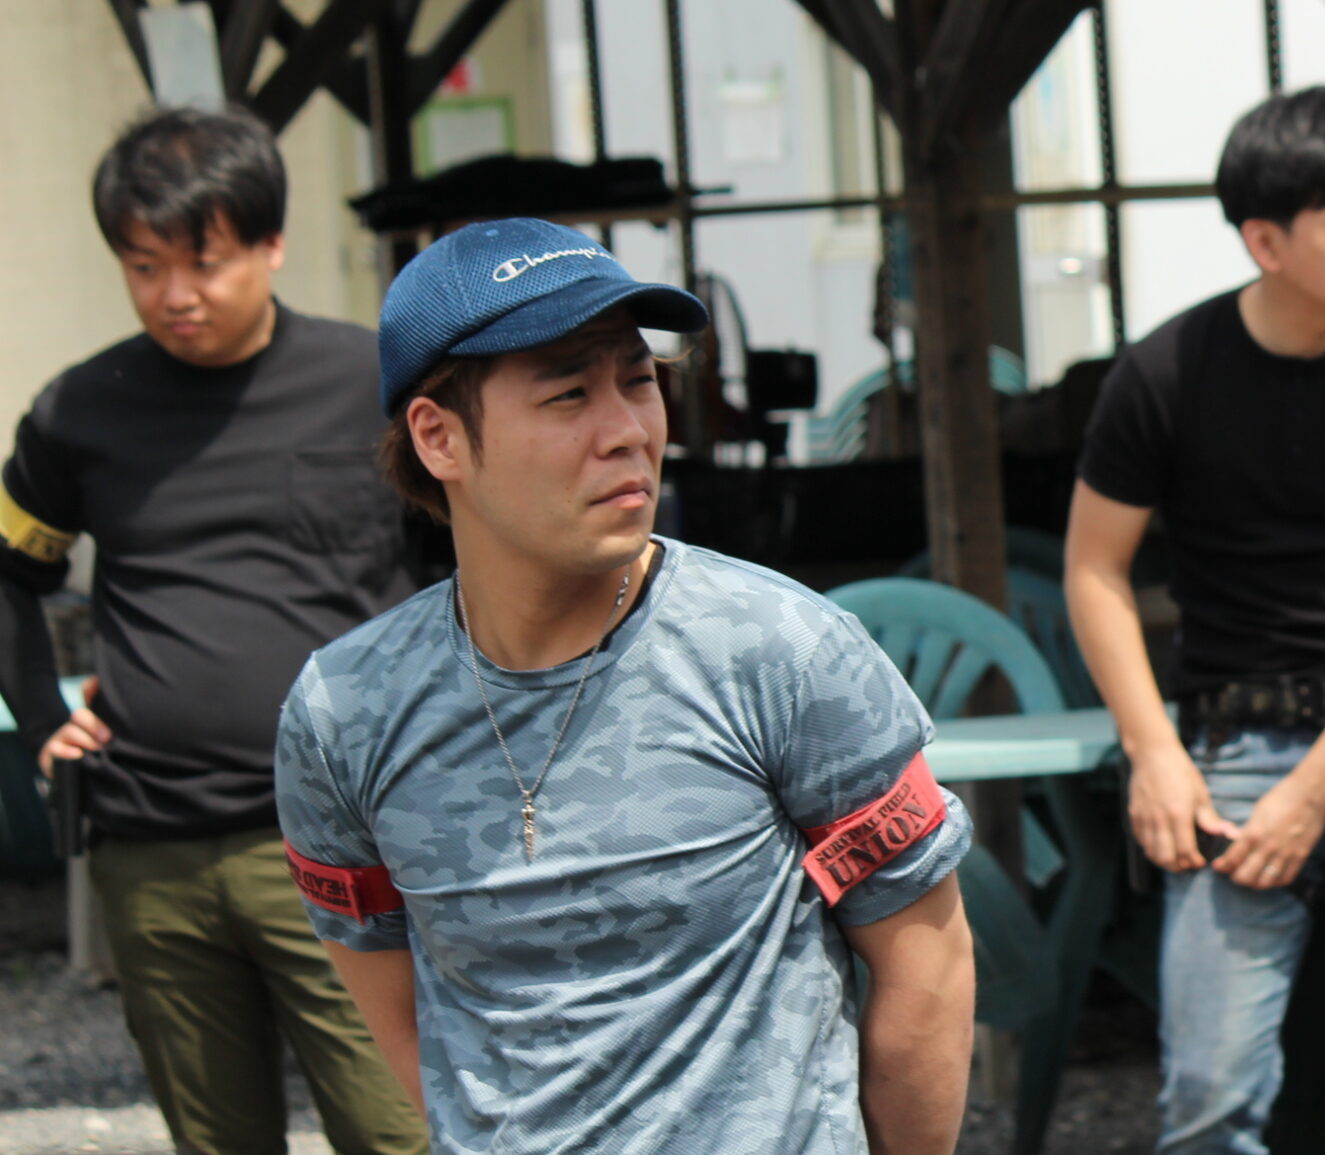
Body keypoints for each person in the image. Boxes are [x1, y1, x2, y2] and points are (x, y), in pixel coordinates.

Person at [270, 218, 975, 1155]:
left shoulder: (782, 650)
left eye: (638, 381)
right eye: (569, 393)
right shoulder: (345, 713)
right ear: (439, 438)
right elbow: (406, 1020)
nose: (628, 431)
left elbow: (928, 964)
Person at [1063, 86, 1325, 1155]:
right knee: (1208, 1104)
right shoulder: (1164, 372)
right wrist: (1153, 754)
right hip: (1230, 753)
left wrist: (1313, 792)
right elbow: (1093, 570)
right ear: (1265, 242)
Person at [0, 106, 428, 1155]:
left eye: (204, 262)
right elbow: (9, 574)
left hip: (350, 839)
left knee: (404, 1132)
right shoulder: (78, 411)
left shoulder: (376, 387)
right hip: (152, 851)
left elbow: (473, 566)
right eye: (143, 267)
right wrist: (40, 718)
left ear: (271, 244)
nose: (175, 295)